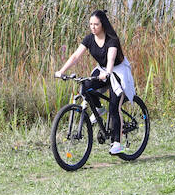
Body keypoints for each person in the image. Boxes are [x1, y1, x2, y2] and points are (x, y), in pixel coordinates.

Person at [54, 10, 137, 156]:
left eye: (96, 24)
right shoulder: (89, 39)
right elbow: (75, 56)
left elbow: (111, 59)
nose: (93, 27)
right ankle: (98, 109)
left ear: (103, 25)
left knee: (114, 106)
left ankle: (117, 143)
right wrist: (61, 71)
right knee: (85, 87)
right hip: (102, 70)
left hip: (117, 71)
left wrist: (107, 73)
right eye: (91, 24)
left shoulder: (112, 40)